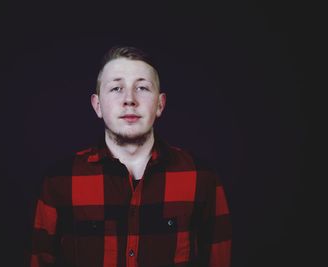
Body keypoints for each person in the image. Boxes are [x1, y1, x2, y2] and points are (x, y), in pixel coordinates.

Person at [30, 45, 232, 267]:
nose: (129, 100)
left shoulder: (201, 177)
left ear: (160, 104)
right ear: (97, 106)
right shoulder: (59, 181)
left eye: (143, 88)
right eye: (116, 88)